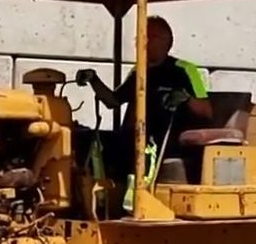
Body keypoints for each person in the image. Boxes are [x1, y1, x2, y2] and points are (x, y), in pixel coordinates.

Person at [76, 16, 212, 178]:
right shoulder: (138, 72)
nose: (143, 42)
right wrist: (94, 79)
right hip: (136, 137)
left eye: (150, 36)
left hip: (167, 141)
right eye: (140, 36)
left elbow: (207, 111)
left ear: (167, 42)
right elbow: (112, 102)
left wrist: (185, 98)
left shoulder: (185, 70)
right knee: (85, 140)